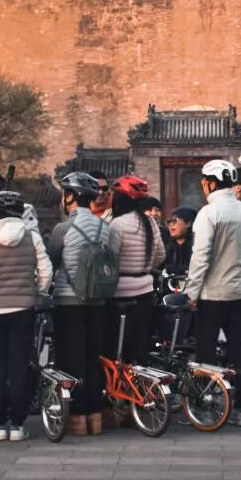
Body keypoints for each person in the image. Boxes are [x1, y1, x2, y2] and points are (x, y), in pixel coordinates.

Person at [184, 159, 241, 427]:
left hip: (212, 294)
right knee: (240, 348)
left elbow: (200, 257)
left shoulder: (208, 214)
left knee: (206, 350)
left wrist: (191, 293)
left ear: (210, 183)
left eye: (203, 182)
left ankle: (207, 407)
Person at [0, 190, 53, 441]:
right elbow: (46, 270)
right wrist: (38, 292)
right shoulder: (32, 236)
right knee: (19, 365)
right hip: (23, 309)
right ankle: (17, 425)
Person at [49, 170, 111, 437]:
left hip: (69, 302)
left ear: (70, 196)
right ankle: (95, 417)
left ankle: (77, 418)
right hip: (98, 301)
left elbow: (51, 262)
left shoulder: (62, 229)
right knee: (92, 359)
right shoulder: (105, 228)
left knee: (70, 360)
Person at [105, 175, 165, 429]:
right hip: (145, 292)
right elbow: (160, 255)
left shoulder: (116, 225)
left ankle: (118, 402)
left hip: (121, 294)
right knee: (139, 349)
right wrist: (144, 268)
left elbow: (109, 259)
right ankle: (139, 401)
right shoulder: (150, 223)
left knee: (117, 349)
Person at [163, 207, 195, 275]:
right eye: (168, 222)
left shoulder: (197, 246)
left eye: (174, 221)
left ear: (188, 223)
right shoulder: (167, 246)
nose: (170, 224)